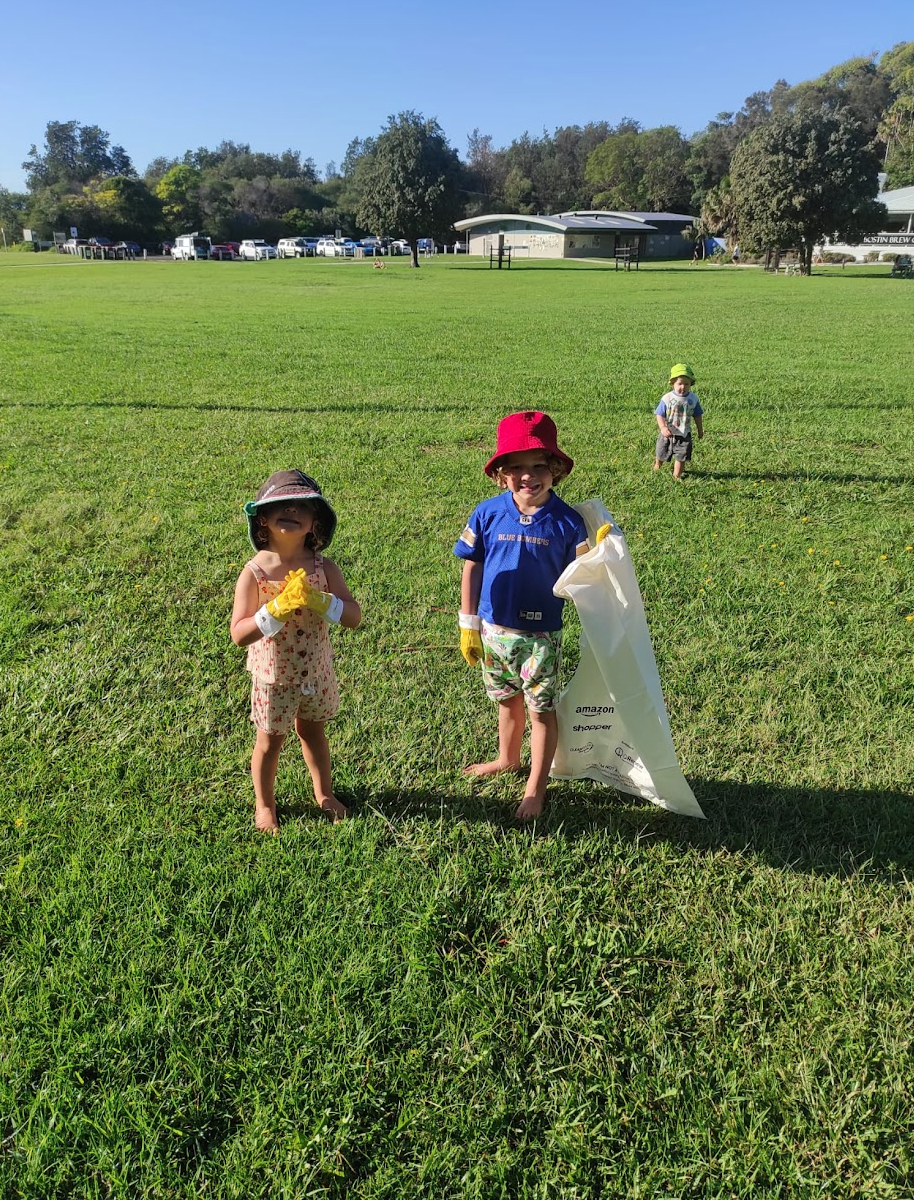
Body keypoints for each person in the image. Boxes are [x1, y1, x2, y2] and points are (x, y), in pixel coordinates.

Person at [454, 411, 590, 821]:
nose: (528, 476)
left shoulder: (569, 521)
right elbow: (472, 565)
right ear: (500, 473)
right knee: (506, 701)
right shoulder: (487, 513)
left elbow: (584, 575)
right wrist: (468, 622)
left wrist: (601, 552)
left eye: (538, 467)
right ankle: (507, 758)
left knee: (540, 711)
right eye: (516, 467)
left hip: (541, 636)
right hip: (494, 631)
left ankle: (536, 787)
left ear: (555, 469)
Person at [230, 470, 361, 832]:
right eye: (280, 505)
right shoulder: (254, 573)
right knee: (270, 743)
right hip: (273, 676)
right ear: (263, 519)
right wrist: (273, 611)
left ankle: (324, 793)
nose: (291, 511)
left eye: (301, 505)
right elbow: (239, 634)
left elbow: (353, 617)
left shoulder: (324, 568)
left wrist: (324, 602)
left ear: (314, 522)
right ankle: (265, 804)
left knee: (313, 733)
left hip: (315, 673)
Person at [654, 362, 704, 480]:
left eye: (687, 384)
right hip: (668, 432)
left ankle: (676, 475)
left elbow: (697, 416)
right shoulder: (667, 398)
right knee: (661, 451)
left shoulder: (693, 399)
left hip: (684, 433)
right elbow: (659, 414)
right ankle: (658, 464)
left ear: (691, 384)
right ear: (673, 383)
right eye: (680, 383)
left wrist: (700, 430)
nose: (683, 387)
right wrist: (663, 427)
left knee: (681, 456)